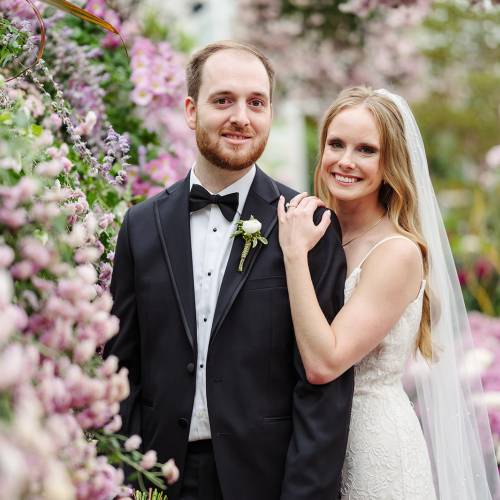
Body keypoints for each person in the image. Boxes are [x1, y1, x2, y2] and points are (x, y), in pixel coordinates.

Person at [104, 41, 353, 500]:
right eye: (223, 100)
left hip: (268, 481)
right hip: (158, 478)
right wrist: (125, 477)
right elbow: (121, 368)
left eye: (256, 102)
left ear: (270, 113)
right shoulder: (141, 227)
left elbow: (323, 392)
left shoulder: (309, 224)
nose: (242, 116)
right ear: (191, 110)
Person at [277, 86, 499, 499]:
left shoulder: (397, 252)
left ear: (390, 162)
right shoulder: (316, 231)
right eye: (336, 144)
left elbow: (324, 363)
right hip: (312, 445)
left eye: (366, 150)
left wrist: (293, 256)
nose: (345, 161)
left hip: (373, 449)